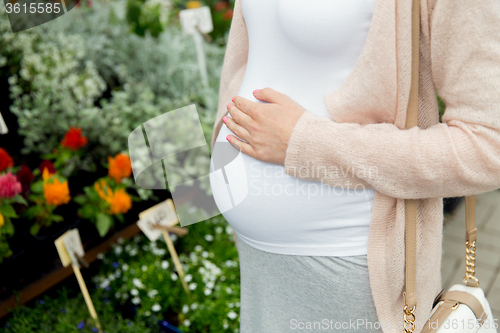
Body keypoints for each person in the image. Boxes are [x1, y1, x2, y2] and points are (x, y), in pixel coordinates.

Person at [210, 0, 500, 332]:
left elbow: (489, 145)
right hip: (255, 256)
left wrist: (308, 143)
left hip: (346, 265)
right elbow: (252, 62)